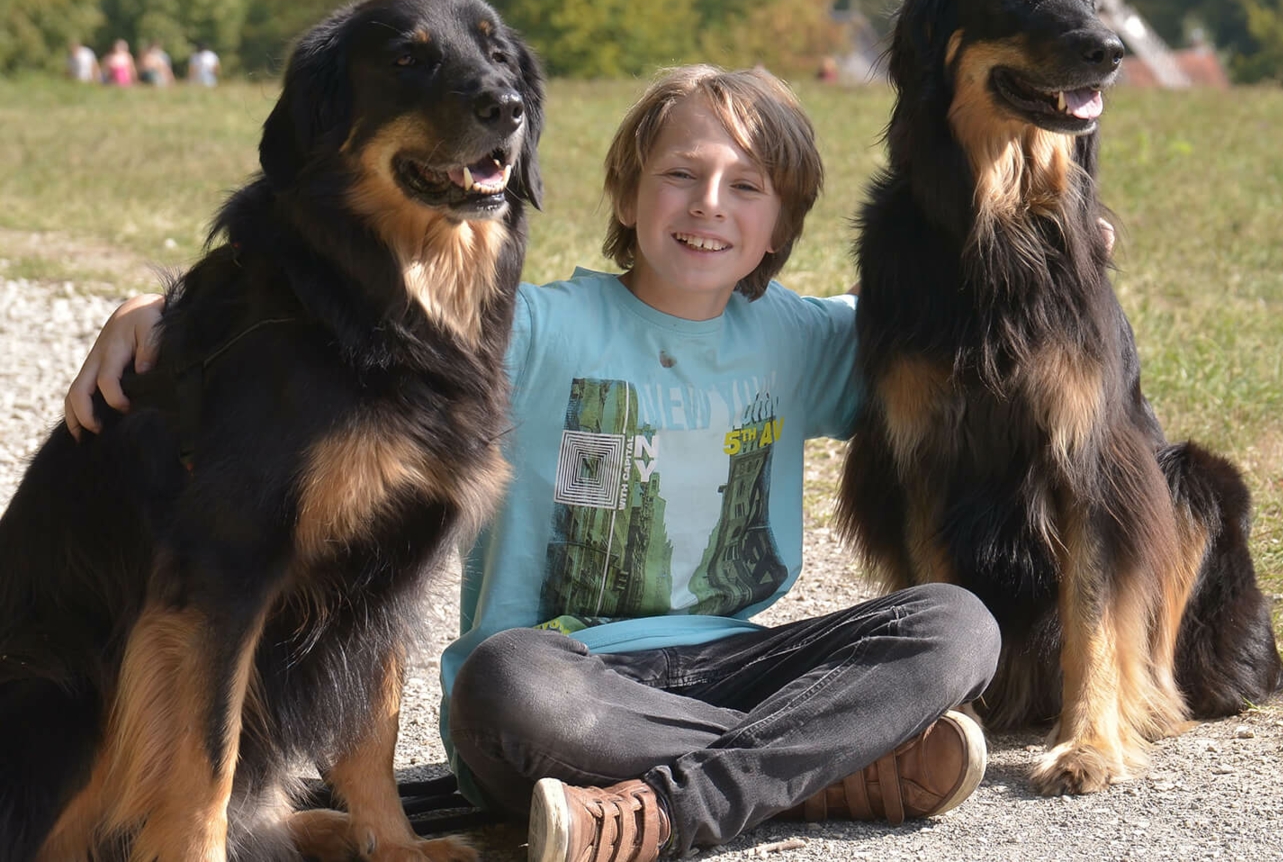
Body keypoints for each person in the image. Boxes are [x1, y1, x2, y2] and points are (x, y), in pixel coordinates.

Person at [64, 65, 1001, 862]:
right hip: (559, 685)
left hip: (733, 664)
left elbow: (963, 319)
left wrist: (1071, 247)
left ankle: (666, 808)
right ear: (628, 198)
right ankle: (831, 765)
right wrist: (160, 313)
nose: (709, 205)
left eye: (746, 186)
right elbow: (341, 321)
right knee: (503, 683)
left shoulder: (807, 338)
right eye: (680, 174)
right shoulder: (536, 327)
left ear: (781, 226)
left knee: (956, 624)